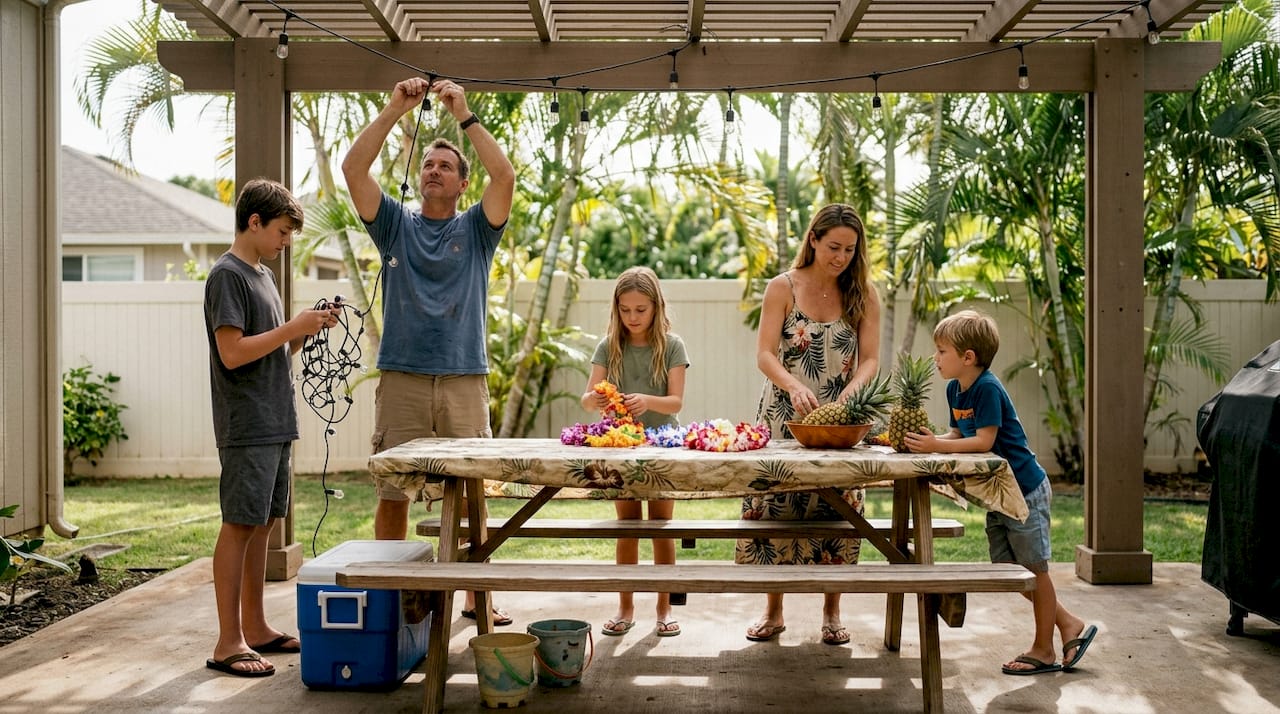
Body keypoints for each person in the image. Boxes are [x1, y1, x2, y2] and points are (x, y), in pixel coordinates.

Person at [342, 77, 516, 625]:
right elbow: (352, 170)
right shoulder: (395, 225)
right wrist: (396, 106)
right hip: (404, 380)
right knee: (393, 493)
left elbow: (505, 175)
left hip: (464, 378)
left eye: (445, 166)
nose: (433, 169)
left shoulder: (477, 230)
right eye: (428, 164)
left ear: (463, 184)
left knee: (470, 498)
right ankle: (393, 598)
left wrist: (463, 114)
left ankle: (475, 598)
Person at [904, 309, 1097, 675]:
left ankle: (1044, 649)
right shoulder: (954, 389)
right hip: (1000, 493)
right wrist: (930, 443)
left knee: (1035, 572)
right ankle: (1070, 624)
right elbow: (959, 435)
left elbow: (984, 440)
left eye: (941, 350)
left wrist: (937, 447)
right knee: (1011, 571)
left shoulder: (988, 387)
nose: (936, 358)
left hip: (1024, 490)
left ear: (968, 357)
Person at [203, 178, 339, 677]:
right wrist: (291, 327)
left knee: (262, 525)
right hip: (246, 423)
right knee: (239, 524)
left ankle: (255, 628)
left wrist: (305, 331)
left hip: (275, 419)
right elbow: (233, 353)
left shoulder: (262, 276)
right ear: (254, 222)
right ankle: (226, 642)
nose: (287, 241)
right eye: (283, 231)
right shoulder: (228, 276)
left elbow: (271, 353)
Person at [736, 203, 881, 646]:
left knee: (835, 506)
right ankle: (773, 610)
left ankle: (832, 611)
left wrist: (852, 393)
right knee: (776, 506)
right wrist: (792, 385)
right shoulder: (782, 287)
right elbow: (764, 353)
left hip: (841, 417)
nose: (841, 257)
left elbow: (871, 358)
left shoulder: (864, 294)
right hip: (783, 415)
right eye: (833, 247)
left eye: (850, 250)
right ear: (813, 239)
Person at [580, 266, 690, 638]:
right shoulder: (608, 346)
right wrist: (597, 399)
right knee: (627, 528)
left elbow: (675, 402)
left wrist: (647, 400)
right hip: (620, 445)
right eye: (625, 310)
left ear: (656, 306)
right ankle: (625, 607)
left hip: (662, 443)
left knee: (661, 529)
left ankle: (664, 609)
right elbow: (587, 398)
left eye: (640, 310)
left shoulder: (673, 345)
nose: (633, 318)